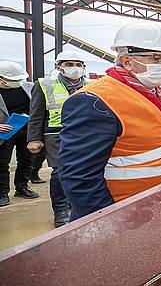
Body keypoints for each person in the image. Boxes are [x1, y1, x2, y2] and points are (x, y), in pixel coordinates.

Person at [58, 23, 161, 220]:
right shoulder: (94, 101)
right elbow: (79, 177)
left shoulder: (154, 92)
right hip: (128, 211)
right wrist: (109, 223)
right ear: (127, 61)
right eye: (156, 58)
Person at [27, 50, 91, 227]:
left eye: (78, 65)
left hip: (85, 134)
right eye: (69, 64)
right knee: (60, 172)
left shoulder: (93, 84)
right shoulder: (44, 84)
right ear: (59, 67)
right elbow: (36, 114)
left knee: (83, 170)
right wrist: (34, 138)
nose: (75, 68)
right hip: (55, 134)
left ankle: (75, 204)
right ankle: (61, 210)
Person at [0, 61, 38, 207]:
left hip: (26, 130)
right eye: (13, 80)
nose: (17, 82)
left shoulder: (28, 87)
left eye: (19, 79)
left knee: (27, 160)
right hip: (5, 132)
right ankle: (2, 192)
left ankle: (22, 187)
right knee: (2, 163)